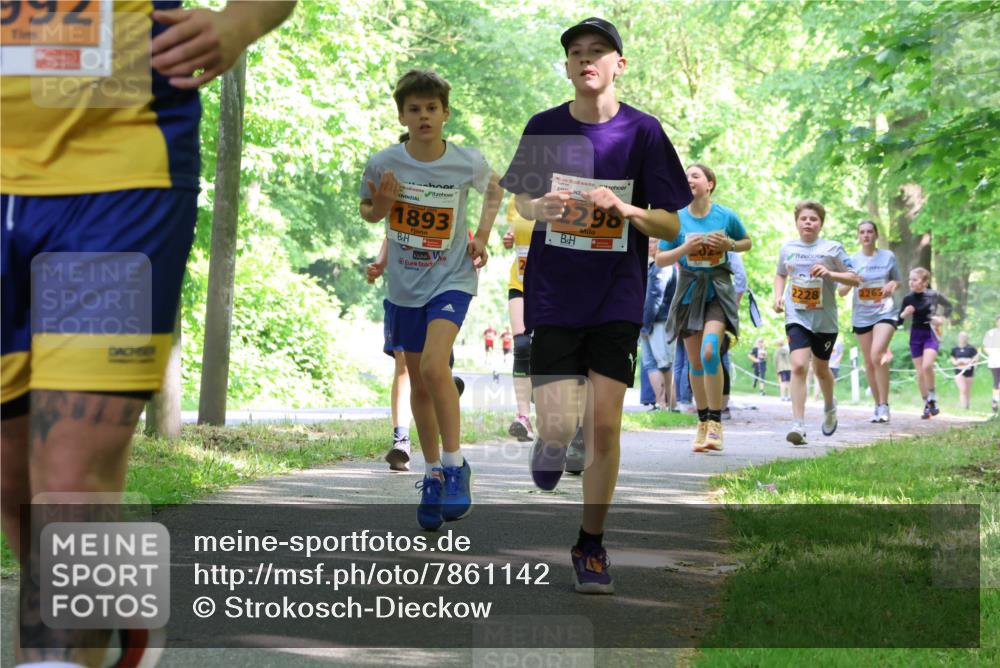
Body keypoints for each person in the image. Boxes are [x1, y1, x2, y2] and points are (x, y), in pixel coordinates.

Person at [1, 2, 297, 666]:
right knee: (10, 482)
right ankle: (104, 599)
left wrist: (242, 21)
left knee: (70, 474)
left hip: (122, 175)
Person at [500, 17, 689, 594]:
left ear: (618, 64)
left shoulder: (644, 133)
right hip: (555, 294)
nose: (586, 60)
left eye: (598, 51)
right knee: (558, 424)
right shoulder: (546, 127)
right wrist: (543, 207)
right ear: (567, 66)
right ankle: (552, 440)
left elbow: (671, 220)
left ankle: (591, 546)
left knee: (605, 425)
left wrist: (628, 212)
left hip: (617, 293)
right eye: (576, 53)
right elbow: (521, 208)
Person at [360, 69, 502, 529]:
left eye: (431, 108)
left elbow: (495, 188)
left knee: (432, 367)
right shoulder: (384, 163)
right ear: (402, 115)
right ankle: (434, 472)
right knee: (419, 385)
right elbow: (368, 212)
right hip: (404, 287)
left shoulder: (466, 162)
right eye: (414, 109)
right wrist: (383, 203)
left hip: (452, 279)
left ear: (446, 113)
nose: (423, 116)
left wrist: (481, 235)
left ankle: (458, 465)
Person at [656, 163, 752, 452]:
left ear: (709, 183)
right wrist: (684, 250)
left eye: (695, 176)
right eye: (685, 177)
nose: (689, 180)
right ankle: (702, 422)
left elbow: (746, 242)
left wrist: (728, 245)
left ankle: (716, 423)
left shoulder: (725, 215)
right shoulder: (676, 219)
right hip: (688, 290)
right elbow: (660, 258)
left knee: (711, 350)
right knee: (695, 361)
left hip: (717, 290)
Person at [773, 200, 859, 445]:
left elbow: (855, 278)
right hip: (796, 314)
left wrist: (830, 274)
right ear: (797, 222)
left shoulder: (833, 249)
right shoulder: (787, 248)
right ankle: (798, 426)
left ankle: (830, 407)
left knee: (822, 369)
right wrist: (778, 296)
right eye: (804, 219)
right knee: (798, 365)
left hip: (824, 318)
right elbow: (780, 274)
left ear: (821, 223)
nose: (808, 223)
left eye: (813, 219)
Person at [837, 220, 901, 423]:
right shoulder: (852, 260)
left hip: (885, 312)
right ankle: (878, 405)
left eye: (869, 232)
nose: (866, 235)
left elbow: (897, 280)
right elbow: (841, 291)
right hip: (862, 315)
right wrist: (852, 281)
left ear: (876, 235)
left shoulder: (888, 256)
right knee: (869, 362)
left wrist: (891, 285)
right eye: (862, 232)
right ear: (858, 236)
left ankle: (884, 405)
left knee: (877, 354)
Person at [501, 197, 536, 442]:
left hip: (551, 288)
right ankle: (523, 416)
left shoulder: (563, 193)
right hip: (520, 283)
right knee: (522, 346)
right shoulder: (519, 198)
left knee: (547, 350)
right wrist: (509, 237)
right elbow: (514, 230)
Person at [898, 267, 953, 419]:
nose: (911, 282)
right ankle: (926, 405)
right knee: (920, 372)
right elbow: (898, 320)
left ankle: (933, 397)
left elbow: (949, 306)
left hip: (931, 333)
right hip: (915, 335)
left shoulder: (933, 295)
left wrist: (941, 319)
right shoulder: (908, 299)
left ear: (925, 282)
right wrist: (905, 314)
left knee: (927, 365)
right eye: (910, 279)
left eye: (914, 280)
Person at [641, 237, 676, 411]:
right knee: (650, 363)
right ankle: (661, 404)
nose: (649, 245)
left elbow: (656, 297)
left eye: (654, 242)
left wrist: (645, 324)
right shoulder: (653, 266)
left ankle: (669, 405)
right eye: (648, 242)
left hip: (659, 321)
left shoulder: (663, 266)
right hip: (650, 320)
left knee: (664, 363)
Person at [950, 332, 978, 410]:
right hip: (959, 371)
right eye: (961, 336)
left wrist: (969, 362)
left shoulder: (971, 348)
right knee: (963, 389)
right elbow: (952, 358)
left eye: (964, 336)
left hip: (969, 371)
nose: (962, 338)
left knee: (968, 389)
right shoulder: (955, 349)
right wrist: (957, 362)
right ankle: (963, 406)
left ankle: (967, 405)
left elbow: (976, 358)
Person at [985, 316, 1000, 415]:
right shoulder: (991, 333)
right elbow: (986, 347)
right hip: (995, 361)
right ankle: (995, 401)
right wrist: (994, 355)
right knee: (997, 382)